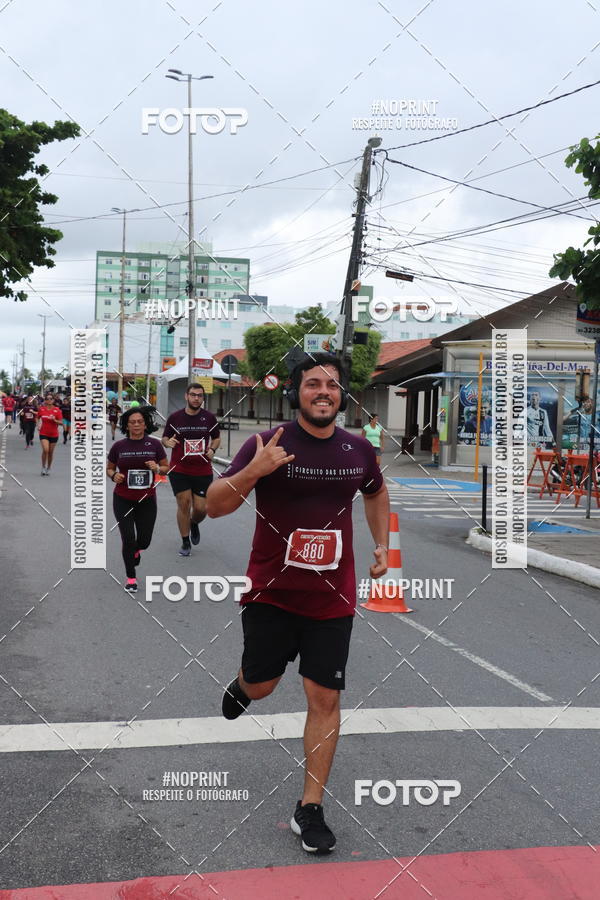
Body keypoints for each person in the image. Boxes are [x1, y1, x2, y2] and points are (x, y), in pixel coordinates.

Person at [206, 353, 390, 855]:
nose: (323, 392)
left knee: (325, 699)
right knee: (265, 685)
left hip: (333, 599)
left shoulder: (358, 450)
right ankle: (246, 684)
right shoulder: (266, 444)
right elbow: (215, 505)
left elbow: (375, 492)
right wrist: (254, 471)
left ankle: (309, 808)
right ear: (297, 392)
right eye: (313, 384)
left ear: (342, 394)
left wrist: (381, 546)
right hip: (271, 592)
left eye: (332, 384)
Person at [107, 406, 168, 593]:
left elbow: (166, 468)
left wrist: (157, 468)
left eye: (139, 421)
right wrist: (113, 476)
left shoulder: (155, 445)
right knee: (128, 537)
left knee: (144, 540)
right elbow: (109, 468)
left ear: (145, 424)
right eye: (132, 422)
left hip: (147, 499)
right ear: (126, 425)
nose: (136, 425)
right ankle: (131, 578)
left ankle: (137, 550)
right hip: (122, 498)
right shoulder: (119, 446)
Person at [162, 384, 221, 557]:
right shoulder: (175, 418)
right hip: (179, 468)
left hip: (202, 469)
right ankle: (185, 541)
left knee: (202, 509)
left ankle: (193, 523)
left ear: (203, 398)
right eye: (193, 395)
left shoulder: (209, 418)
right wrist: (167, 443)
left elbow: (216, 438)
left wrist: (212, 449)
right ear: (186, 396)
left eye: (200, 396)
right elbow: (164, 438)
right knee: (184, 503)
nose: (197, 398)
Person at [37, 392, 63, 475]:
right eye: (47, 399)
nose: (49, 400)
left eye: (50, 399)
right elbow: (37, 417)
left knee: (51, 452)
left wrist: (54, 420)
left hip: (54, 434)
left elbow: (61, 423)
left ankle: (49, 467)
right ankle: (43, 467)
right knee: (45, 450)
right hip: (43, 433)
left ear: (53, 400)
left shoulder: (57, 410)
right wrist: (38, 424)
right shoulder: (42, 409)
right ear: (45, 400)